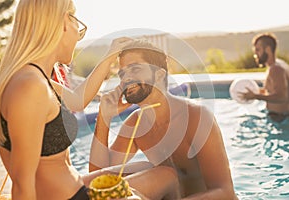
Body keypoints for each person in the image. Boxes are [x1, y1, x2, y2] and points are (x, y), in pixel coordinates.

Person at [0, 1, 178, 199]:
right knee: (169, 179)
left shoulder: (33, 77)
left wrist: (109, 57)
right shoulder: (30, 87)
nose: (78, 37)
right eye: (78, 25)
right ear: (63, 22)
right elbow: (22, 184)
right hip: (73, 196)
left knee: (160, 171)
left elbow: (77, 101)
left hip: (72, 185)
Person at [89, 39, 238, 199]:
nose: (126, 78)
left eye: (135, 69)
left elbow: (226, 193)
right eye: (122, 73)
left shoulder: (196, 118)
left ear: (159, 74)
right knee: (146, 171)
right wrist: (104, 117)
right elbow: (99, 181)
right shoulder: (135, 124)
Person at [243, 33, 289, 122]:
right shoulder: (277, 65)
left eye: (258, 50)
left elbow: (282, 97)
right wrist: (256, 91)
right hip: (280, 117)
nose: (255, 53)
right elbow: (274, 90)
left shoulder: (276, 69)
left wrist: (255, 96)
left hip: (281, 119)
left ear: (267, 49)